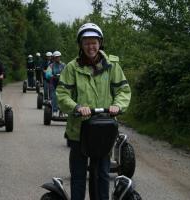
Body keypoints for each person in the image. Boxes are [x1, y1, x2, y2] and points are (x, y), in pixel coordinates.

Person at [56, 23, 131, 200]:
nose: (91, 46)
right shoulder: (72, 68)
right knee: (79, 174)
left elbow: (123, 90)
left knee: (103, 174)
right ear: (81, 45)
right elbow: (62, 94)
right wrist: (76, 107)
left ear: (100, 43)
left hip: (104, 128)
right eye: (87, 43)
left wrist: (118, 106)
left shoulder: (112, 65)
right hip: (79, 129)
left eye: (94, 42)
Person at [46, 51, 65, 117]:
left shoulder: (63, 65)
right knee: (54, 96)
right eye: (56, 57)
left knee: (62, 97)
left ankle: (62, 111)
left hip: (61, 83)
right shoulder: (51, 65)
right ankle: (54, 111)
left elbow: (67, 72)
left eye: (59, 57)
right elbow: (47, 73)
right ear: (53, 58)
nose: (58, 58)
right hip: (53, 83)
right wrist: (50, 75)